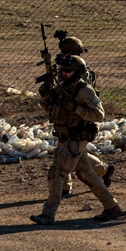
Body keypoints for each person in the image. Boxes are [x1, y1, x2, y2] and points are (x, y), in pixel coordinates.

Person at [30, 41, 123, 225]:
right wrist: (44, 96)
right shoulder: (61, 88)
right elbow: (50, 109)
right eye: (63, 71)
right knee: (87, 174)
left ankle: (48, 215)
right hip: (65, 136)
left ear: (78, 72)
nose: (64, 74)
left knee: (56, 173)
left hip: (76, 137)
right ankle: (112, 207)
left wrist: (76, 108)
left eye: (69, 71)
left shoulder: (84, 91)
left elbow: (99, 115)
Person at [52, 36, 115, 198]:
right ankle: (104, 170)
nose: (65, 56)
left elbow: (83, 94)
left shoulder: (81, 70)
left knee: (67, 154)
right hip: (68, 117)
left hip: (82, 118)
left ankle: (66, 188)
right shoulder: (65, 67)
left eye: (67, 53)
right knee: (74, 154)